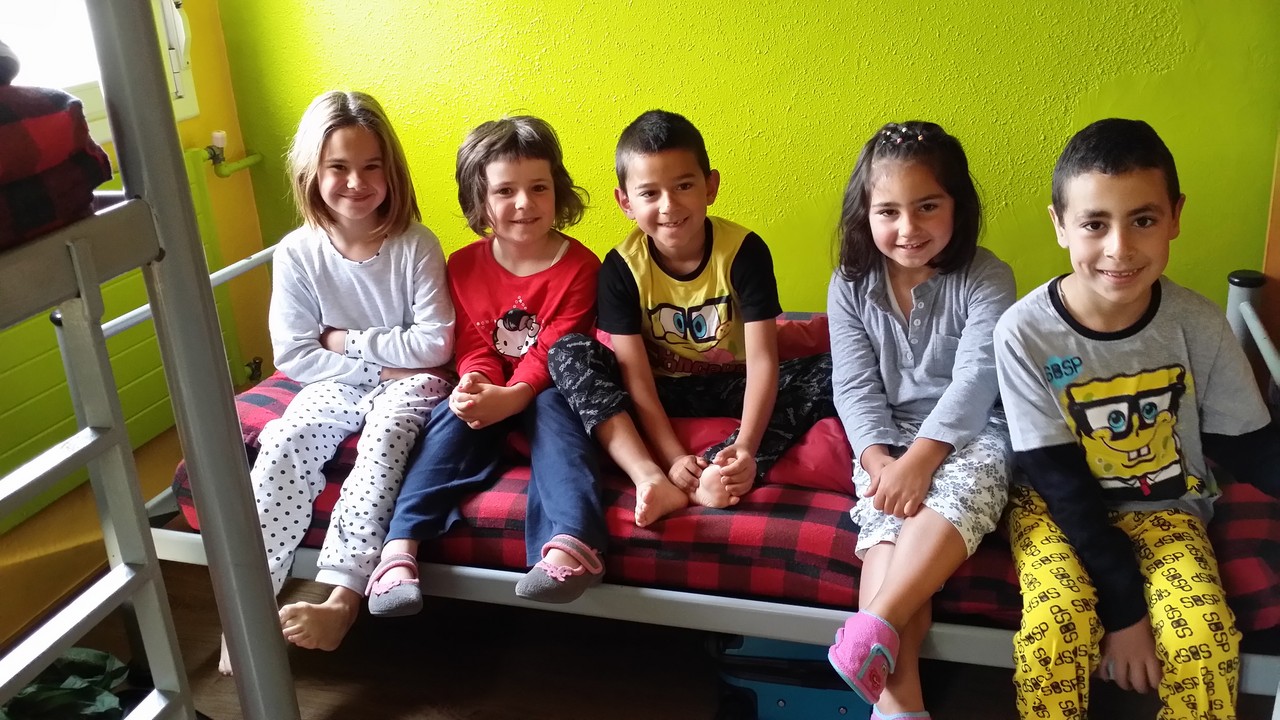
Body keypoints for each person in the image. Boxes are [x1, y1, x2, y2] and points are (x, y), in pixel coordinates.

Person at [994, 118, 1280, 720]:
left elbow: (1251, 446)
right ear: (1059, 225)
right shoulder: (1023, 333)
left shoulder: (1197, 324)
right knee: (1055, 628)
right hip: (1055, 512)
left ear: (1175, 217)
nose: (1119, 248)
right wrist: (1125, 615)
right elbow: (1061, 485)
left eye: (1143, 220)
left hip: (1168, 508)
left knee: (1203, 640)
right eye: (1094, 224)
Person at [220, 91, 455, 675]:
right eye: (339, 167)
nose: (356, 182)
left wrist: (343, 340)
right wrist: (379, 364)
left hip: (415, 383)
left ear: (391, 171)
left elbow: (434, 346)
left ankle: (341, 600)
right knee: (283, 438)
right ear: (312, 172)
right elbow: (294, 355)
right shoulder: (297, 253)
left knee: (385, 438)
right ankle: (247, 609)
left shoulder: (416, 244)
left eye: (372, 166)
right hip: (340, 382)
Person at [547, 109, 835, 528]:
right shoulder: (620, 269)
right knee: (567, 352)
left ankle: (723, 468)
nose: (669, 206)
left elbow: (763, 360)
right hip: (662, 389)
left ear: (710, 186)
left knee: (837, 368)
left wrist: (746, 447)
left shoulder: (744, 251)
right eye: (649, 193)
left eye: (684, 185)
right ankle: (650, 478)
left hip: (733, 382)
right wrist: (673, 459)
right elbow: (636, 378)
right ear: (625, 202)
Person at [368, 115, 607, 614]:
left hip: (547, 390)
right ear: (480, 201)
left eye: (538, 187)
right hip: (493, 391)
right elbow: (473, 343)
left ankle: (571, 543)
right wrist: (477, 383)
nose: (524, 203)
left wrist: (515, 396)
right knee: (450, 418)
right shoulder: (461, 266)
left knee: (557, 413)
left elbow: (554, 350)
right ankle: (399, 549)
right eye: (505, 191)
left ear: (558, 191)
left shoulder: (582, 268)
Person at [824, 121, 1016, 717]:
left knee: (953, 497)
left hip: (975, 431)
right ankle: (902, 708)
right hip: (887, 438)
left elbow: (978, 380)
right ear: (865, 215)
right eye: (888, 211)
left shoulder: (988, 276)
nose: (908, 228)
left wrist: (922, 462)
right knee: (884, 525)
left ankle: (874, 622)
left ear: (958, 205)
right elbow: (853, 383)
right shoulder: (850, 285)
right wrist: (879, 460)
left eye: (927, 206)